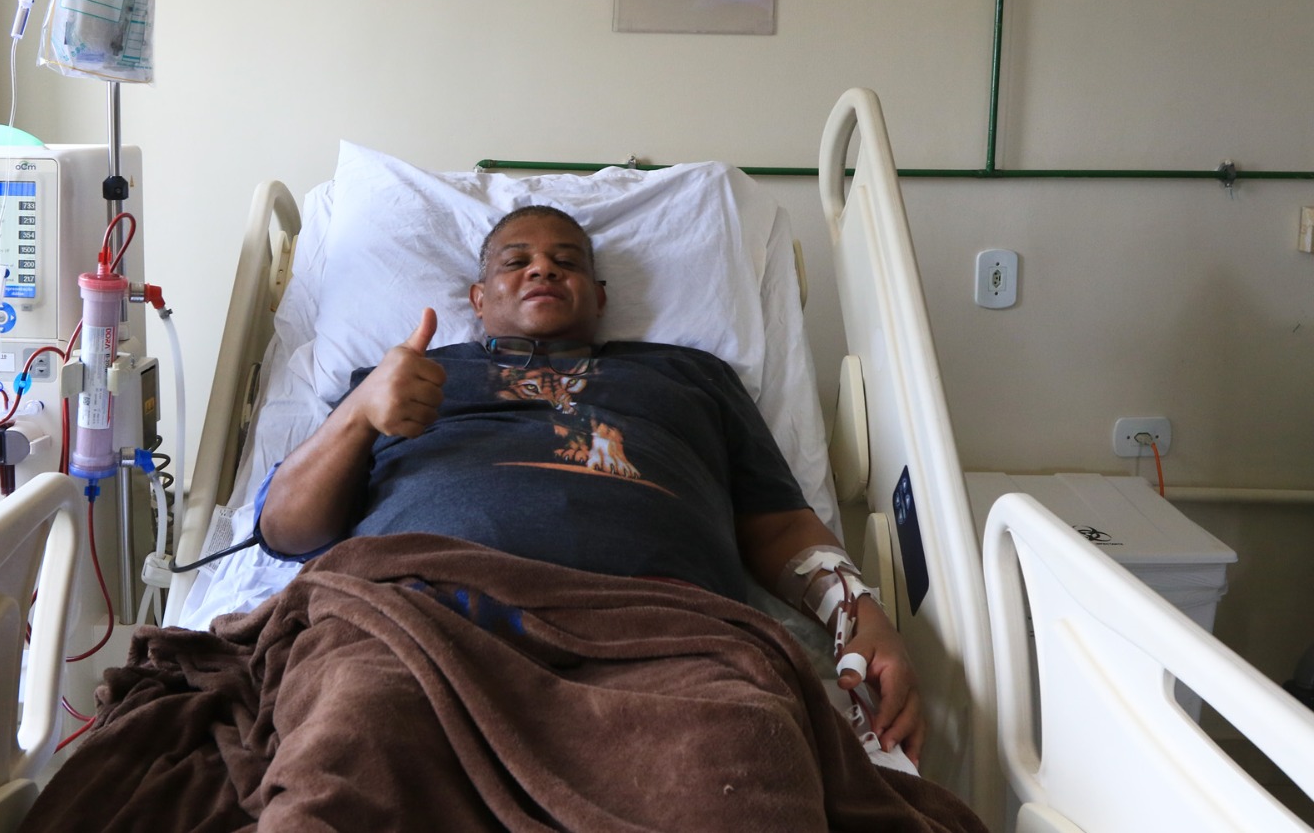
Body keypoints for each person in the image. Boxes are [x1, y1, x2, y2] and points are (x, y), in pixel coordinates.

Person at [259, 204, 924, 763]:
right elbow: (285, 531)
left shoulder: (691, 377)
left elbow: (777, 524)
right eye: (516, 261)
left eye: (567, 261)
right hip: (420, 612)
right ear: (478, 299)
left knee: (735, 762)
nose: (543, 269)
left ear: (601, 297)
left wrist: (859, 613)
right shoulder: (401, 378)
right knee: (356, 746)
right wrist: (359, 413)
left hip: (669, 629)